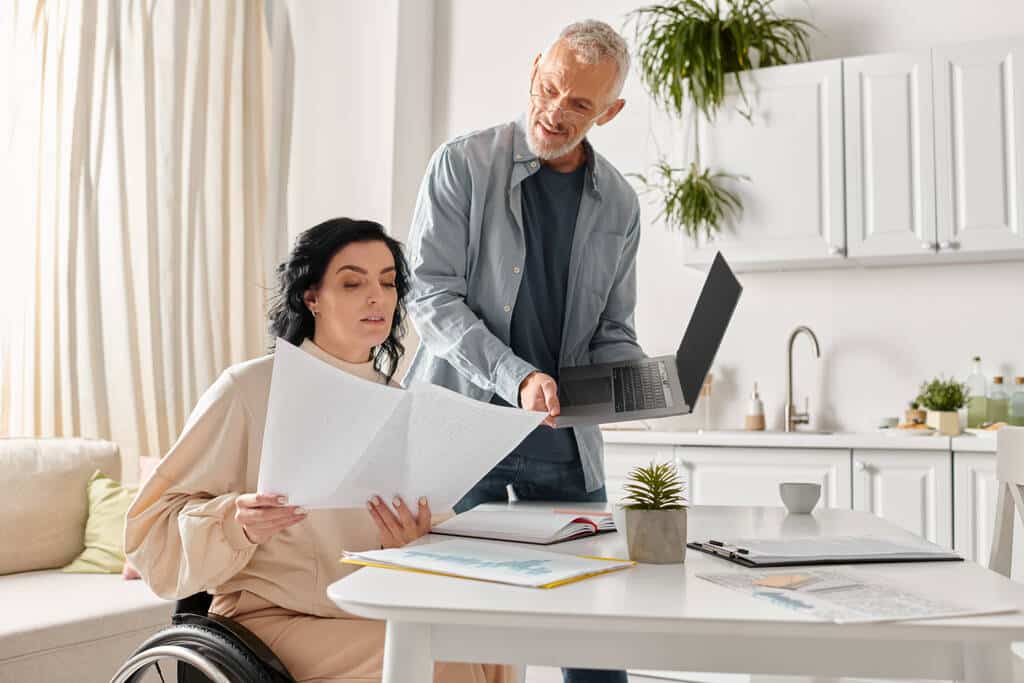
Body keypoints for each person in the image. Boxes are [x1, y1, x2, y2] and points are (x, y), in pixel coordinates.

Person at [125, 218, 511, 683]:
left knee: (491, 645)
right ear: (312, 298)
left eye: (388, 283)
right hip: (269, 622)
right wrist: (236, 522)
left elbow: (422, 533)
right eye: (352, 283)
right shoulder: (249, 390)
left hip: (368, 605)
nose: (377, 297)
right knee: (440, 658)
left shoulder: (402, 402)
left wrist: (413, 544)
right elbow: (149, 527)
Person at [405, 19, 642, 683]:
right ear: (536, 65)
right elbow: (430, 296)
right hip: (463, 441)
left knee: (596, 642)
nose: (553, 112)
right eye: (548, 87)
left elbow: (613, 327)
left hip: (565, 451)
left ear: (610, 112)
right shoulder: (462, 163)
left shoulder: (620, 203)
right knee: (454, 637)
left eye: (579, 104)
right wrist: (517, 377)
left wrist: (637, 377)